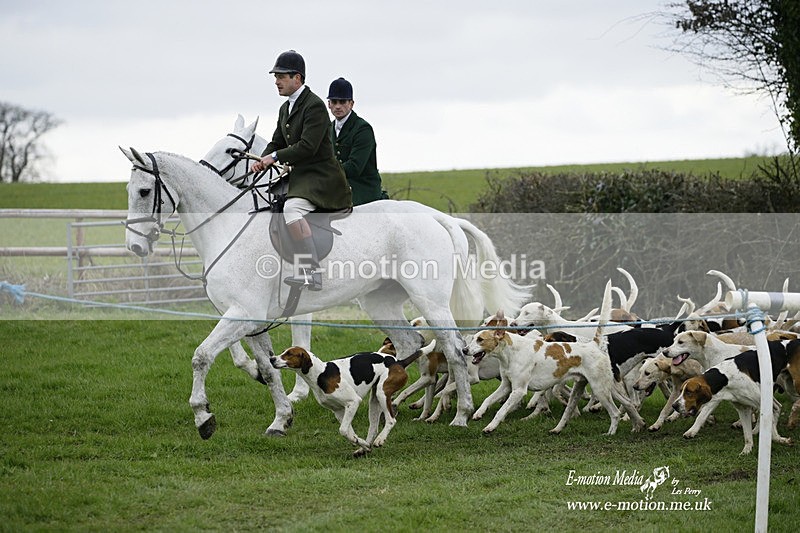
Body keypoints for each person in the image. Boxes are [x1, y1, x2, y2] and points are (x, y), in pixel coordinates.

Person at [252, 50, 352, 291]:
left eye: (281, 76)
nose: (276, 81)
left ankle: (312, 271)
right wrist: (260, 159)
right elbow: (277, 142)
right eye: (275, 76)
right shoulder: (285, 109)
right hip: (302, 176)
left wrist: (273, 157)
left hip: (321, 177)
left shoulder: (315, 106)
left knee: (292, 208)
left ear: (297, 78)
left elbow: (307, 147)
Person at [327, 77, 389, 205]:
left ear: (351, 104)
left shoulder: (362, 129)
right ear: (329, 104)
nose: (338, 106)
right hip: (337, 185)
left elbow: (354, 167)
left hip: (362, 188)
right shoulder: (328, 129)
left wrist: (324, 173)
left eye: (342, 102)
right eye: (334, 101)